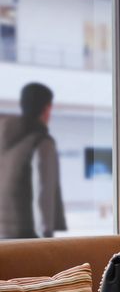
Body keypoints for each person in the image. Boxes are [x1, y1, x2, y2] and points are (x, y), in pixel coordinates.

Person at [0, 82, 66, 238]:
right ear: (47, 108)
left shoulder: (5, 139)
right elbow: (44, 194)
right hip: (26, 237)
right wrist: (47, 237)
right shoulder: (42, 142)